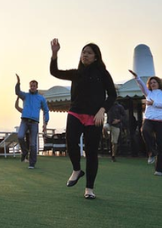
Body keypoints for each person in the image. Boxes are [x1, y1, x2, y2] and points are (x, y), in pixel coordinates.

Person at [50, 39, 117, 200]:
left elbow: (112, 95)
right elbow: (55, 72)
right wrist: (54, 54)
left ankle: (89, 189)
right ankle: (76, 169)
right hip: (75, 113)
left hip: (94, 117)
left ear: (96, 57)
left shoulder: (102, 73)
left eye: (89, 52)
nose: (85, 55)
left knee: (91, 153)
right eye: (83, 52)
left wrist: (102, 110)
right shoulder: (76, 73)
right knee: (71, 142)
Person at [130, 71, 162, 176]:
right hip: (149, 118)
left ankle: (159, 169)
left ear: (159, 83)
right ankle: (152, 152)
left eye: (154, 82)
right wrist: (137, 78)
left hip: (161, 121)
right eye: (151, 83)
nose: (153, 84)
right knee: (144, 130)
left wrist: (155, 103)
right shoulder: (148, 93)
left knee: (160, 144)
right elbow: (142, 86)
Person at [14, 75, 50, 168]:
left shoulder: (41, 98)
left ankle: (32, 163)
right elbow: (17, 92)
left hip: (34, 123)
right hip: (24, 121)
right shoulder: (25, 96)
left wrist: (45, 123)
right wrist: (18, 83)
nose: (32, 87)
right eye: (31, 86)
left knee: (33, 144)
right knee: (20, 136)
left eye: (34, 86)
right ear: (29, 86)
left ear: (36, 87)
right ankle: (25, 152)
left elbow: (46, 110)